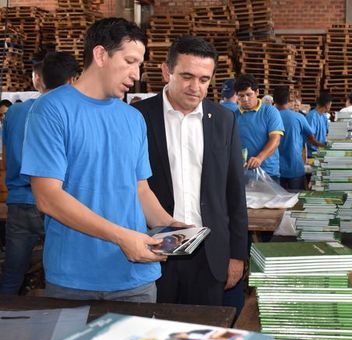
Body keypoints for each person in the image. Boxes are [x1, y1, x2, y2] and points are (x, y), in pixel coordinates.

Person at [21, 18, 185, 302]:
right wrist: (122, 237)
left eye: (140, 64)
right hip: (75, 279)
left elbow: (140, 190)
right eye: (130, 61)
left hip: (136, 279)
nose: (136, 74)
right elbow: (47, 197)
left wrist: (169, 225)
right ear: (100, 55)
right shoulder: (51, 111)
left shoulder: (133, 118)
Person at [133, 36, 247, 306]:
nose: (195, 87)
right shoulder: (138, 117)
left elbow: (234, 190)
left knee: (203, 338)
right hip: (154, 251)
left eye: (204, 79)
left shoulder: (223, 120)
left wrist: (237, 255)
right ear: (166, 71)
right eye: (186, 76)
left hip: (209, 254)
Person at [0, 52, 79, 294]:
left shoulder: (14, 112)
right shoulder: (69, 113)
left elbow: (5, 157)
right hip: (57, 202)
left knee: (13, 272)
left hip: (18, 202)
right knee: (62, 271)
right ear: (73, 80)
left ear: (38, 80)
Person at [234, 74, 285, 182]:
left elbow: (275, 139)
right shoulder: (234, 116)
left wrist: (259, 158)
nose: (245, 99)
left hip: (268, 173)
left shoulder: (270, 112)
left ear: (257, 92)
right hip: (243, 173)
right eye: (241, 96)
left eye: (249, 94)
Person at [273, 86, 324, 190]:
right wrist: (324, 146)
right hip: (295, 168)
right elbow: (311, 138)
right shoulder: (299, 117)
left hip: (275, 169)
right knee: (297, 202)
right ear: (288, 100)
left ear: (274, 100)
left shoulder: (269, 117)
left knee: (277, 203)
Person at [305, 91, 332, 158]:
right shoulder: (312, 116)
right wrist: (323, 146)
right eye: (330, 103)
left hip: (320, 152)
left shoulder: (324, 117)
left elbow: (326, 133)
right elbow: (310, 138)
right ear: (327, 104)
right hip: (312, 154)